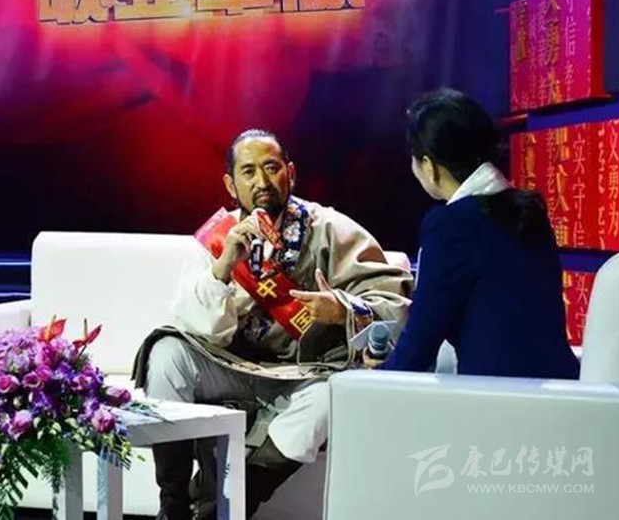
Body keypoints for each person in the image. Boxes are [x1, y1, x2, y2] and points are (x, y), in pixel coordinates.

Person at [132, 129, 413, 520]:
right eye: (248, 172)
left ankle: (231, 501)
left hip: (303, 373)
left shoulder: (331, 229)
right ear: (231, 184)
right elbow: (193, 326)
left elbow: (396, 303)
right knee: (166, 353)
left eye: (271, 168)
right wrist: (224, 266)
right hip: (230, 366)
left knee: (330, 399)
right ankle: (174, 502)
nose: (261, 181)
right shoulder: (217, 239)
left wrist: (341, 309)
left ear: (290, 173)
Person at [376, 88, 579, 377]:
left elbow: (419, 346)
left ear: (430, 167)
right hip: (563, 388)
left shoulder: (451, 226)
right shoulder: (530, 210)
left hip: (494, 396)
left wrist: (375, 376)